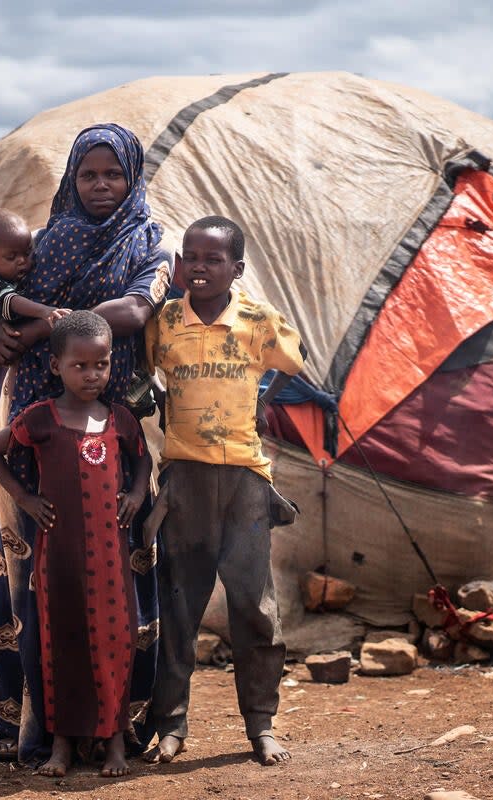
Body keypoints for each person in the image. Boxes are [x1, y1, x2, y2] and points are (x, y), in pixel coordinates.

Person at [0, 123, 172, 767]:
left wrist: (39, 330)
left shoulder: (150, 243)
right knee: (33, 570)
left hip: (111, 424)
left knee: (117, 569)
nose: (99, 185)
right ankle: (27, 729)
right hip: (37, 418)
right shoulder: (47, 239)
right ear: (70, 178)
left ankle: (120, 724)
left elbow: (137, 312)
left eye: (112, 173)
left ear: (132, 176)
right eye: (87, 174)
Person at [142, 215, 305, 767]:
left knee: (254, 609)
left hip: (245, 483)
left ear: (236, 269)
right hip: (185, 480)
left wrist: (261, 397)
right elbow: (143, 379)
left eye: (213, 259)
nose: (198, 267)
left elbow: (292, 361)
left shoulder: (257, 320)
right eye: (190, 257)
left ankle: (261, 725)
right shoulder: (164, 322)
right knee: (178, 608)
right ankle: (170, 726)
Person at [0, 311, 153, 778]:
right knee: (61, 644)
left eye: (101, 364)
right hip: (57, 557)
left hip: (112, 559)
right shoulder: (40, 419)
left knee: (115, 644)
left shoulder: (119, 419)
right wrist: (24, 498)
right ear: (56, 366)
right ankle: (60, 745)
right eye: (80, 366)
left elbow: (142, 461)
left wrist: (136, 495)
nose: (93, 374)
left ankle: (114, 743)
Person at [0, 208, 70, 324]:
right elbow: (12, 301)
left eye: (27, 252)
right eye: (11, 257)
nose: (22, 260)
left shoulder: (15, 265)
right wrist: (45, 311)